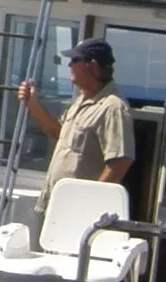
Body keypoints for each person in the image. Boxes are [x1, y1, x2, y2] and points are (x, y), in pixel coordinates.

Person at [16, 37, 132, 203]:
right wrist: (32, 104)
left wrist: (89, 203)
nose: (69, 65)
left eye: (75, 60)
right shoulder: (82, 99)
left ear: (92, 66)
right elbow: (57, 131)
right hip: (57, 203)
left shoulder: (113, 107)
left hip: (76, 209)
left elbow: (121, 161)